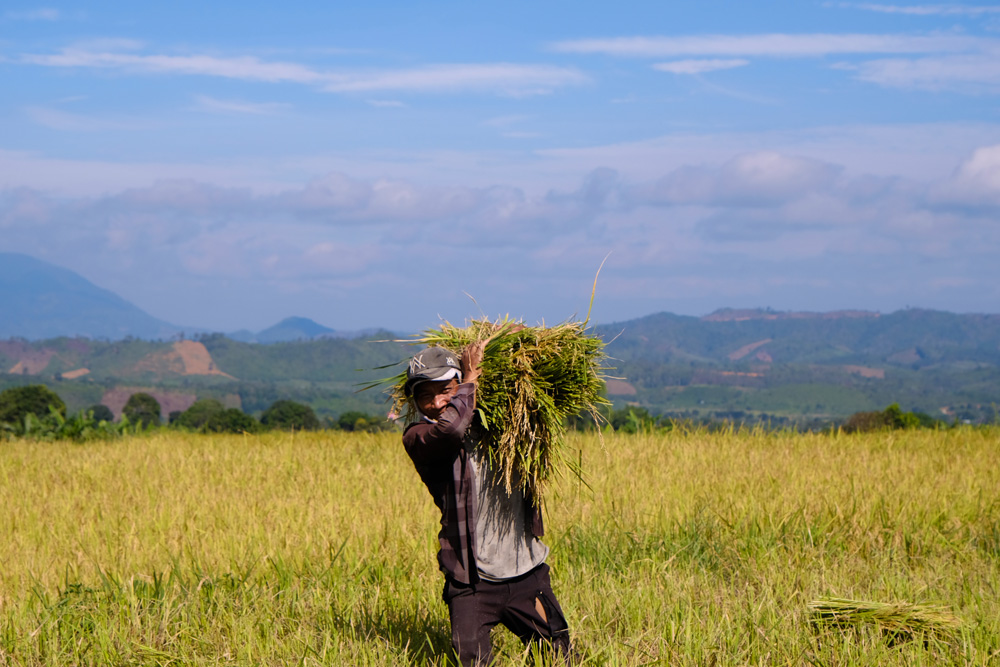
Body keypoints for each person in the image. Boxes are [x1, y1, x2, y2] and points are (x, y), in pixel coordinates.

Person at [401, 344, 573, 666]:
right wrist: (469, 377)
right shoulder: (421, 436)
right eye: (426, 395)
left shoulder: (500, 424)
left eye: (446, 390)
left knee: (560, 658)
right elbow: (451, 429)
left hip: (526, 571)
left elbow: (540, 387)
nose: (437, 402)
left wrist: (519, 345)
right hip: (471, 579)